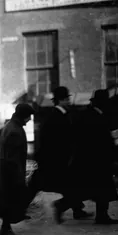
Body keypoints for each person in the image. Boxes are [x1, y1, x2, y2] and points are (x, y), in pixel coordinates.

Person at [33, 86, 92, 224]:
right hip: (56, 160)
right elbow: (52, 141)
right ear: (60, 100)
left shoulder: (63, 114)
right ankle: (61, 206)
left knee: (69, 185)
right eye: (66, 99)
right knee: (67, 185)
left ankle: (76, 209)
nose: (68, 101)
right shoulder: (55, 117)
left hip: (60, 159)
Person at [0, 104, 35, 235]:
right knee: (9, 199)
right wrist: (19, 176)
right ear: (24, 116)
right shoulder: (15, 130)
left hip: (3, 168)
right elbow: (13, 157)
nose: (29, 120)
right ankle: (5, 230)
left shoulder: (10, 126)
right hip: (10, 171)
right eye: (29, 117)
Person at [69, 89, 118, 224]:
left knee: (91, 187)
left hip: (90, 158)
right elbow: (100, 139)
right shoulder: (96, 116)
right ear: (102, 103)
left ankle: (77, 209)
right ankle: (101, 216)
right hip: (97, 159)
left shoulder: (87, 114)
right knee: (102, 187)